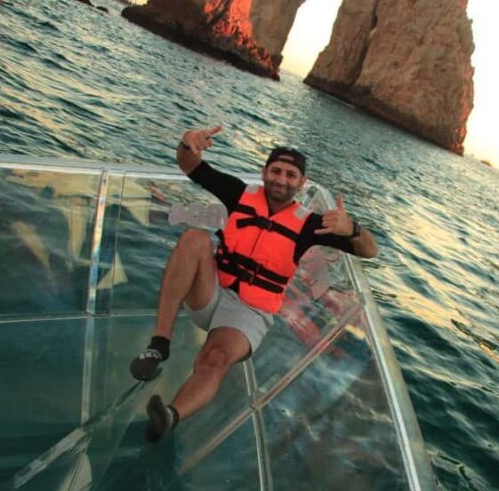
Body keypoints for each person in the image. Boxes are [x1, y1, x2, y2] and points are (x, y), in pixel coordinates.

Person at [131, 125, 378, 443]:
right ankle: (159, 344)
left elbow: (370, 250)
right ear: (264, 173)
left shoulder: (310, 225)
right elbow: (190, 166)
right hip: (211, 290)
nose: (281, 179)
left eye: (290, 175)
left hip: (249, 313)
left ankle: (168, 417)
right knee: (194, 238)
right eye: (276, 171)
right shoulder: (238, 193)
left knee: (215, 359)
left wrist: (352, 229)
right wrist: (187, 144)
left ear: (302, 183)